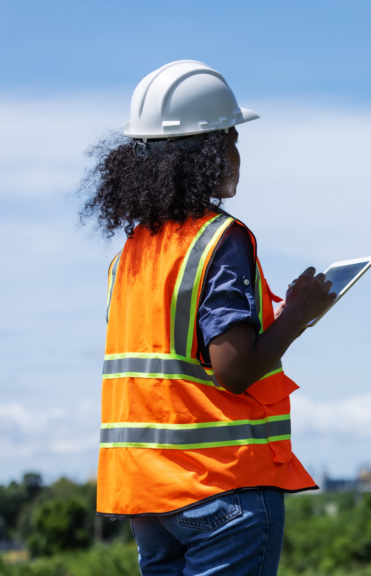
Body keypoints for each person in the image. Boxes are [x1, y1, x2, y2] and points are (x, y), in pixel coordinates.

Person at [79, 61, 334, 576]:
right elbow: (233, 369)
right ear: (202, 153)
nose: (238, 155)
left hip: (149, 497)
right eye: (230, 139)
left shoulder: (132, 251)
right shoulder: (221, 238)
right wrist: (299, 316)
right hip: (221, 491)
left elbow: (177, 358)